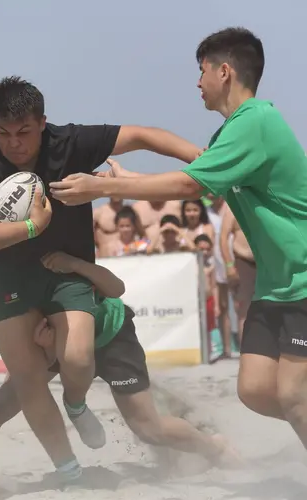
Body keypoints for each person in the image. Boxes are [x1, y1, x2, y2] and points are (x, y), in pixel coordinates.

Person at [49, 28, 307, 448]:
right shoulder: (228, 134)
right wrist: (131, 180)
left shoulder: (258, 121)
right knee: (257, 390)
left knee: (295, 394)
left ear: (224, 71)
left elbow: (189, 187)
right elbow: (201, 180)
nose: (197, 82)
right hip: (275, 288)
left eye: (201, 71)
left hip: (303, 279)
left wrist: (103, 189)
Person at [0, 76, 202, 483]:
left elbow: (141, 134)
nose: (13, 143)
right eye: (3, 133)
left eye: (23, 133)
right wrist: (31, 228)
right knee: (25, 384)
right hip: (11, 276)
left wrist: (200, 157)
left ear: (43, 123)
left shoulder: (69, 143)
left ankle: (75, 403)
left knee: (77, 359)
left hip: (65, 268)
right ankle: (68, 470)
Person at [0, 252, 236, 467]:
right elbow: (31, 358)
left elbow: (116, 287)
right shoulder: (6, 305)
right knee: (2, 404)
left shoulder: (38, 272)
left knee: (148, 428)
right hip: (56, 346)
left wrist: (76, 265)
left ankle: (214, 448)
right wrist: (37, 358)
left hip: (110, 338)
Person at [220, 204, 256, 349]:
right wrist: (229, 265)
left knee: (273, 306)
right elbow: (223, 238)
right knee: (244, 310)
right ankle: (246, 352)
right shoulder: (232, 206)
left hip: (268, 261)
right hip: (243, 260)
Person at [205, 194, 233, 358]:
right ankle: (227, 348)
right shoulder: (206, 211)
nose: (211, 194)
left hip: (232, 257)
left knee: (239, 304)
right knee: (221, 307)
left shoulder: (230, 207)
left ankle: (245, 349)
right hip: (214, 261)